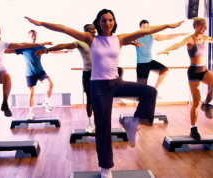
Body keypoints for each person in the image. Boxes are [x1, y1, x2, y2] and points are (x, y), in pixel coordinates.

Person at [25, 10, 183, 178]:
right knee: (103, 128)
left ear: (114, 22)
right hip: (98, 87)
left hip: (116, 83)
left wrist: (167, 25)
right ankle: (106, 168)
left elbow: (145, 31)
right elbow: (64, 29)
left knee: (150, 91)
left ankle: (134, 122)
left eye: (110, 20)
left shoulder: (119, 39)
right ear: (98, 23)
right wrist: (41, 23)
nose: (107, 23)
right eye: (104, 20)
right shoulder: (91, 39)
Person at [35, 24, 125, 133]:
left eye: (94, 30)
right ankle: (90, 123)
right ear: (85, 32)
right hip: (88, 74)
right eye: (90, 31)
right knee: (90, 99)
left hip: (101, 73)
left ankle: (102, 123)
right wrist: (47, 50)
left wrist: (131, 42)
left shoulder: (99, 41)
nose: (93, 32)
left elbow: (116, 41)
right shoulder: (80, 42)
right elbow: (64, 45)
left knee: (103, 99)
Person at [5, 30, 54, 120]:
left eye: (35, 35)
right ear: (28, 37)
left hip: (40, 72)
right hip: (30, 73)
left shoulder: (40, 46)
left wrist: (64, 51)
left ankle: (45, 102)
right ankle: (31, 113)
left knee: (50, 84)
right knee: (31, 93)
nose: (34, 37)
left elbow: (50, 51)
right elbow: (10, 51)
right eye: (32, 36)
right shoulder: (24, 47)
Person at [134, 19, 188, 89]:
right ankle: (140, 98)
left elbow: (166, 37)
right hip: (141, 64)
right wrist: (132, 43)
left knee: (165, 70)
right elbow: (126, 40)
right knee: (141, 87)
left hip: (150, 61)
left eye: (147, 27)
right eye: (143, 27)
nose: (145, 29)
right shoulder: (135, 36)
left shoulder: (152, 35)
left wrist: (179, 34)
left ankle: (155, 89)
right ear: (140, 27)